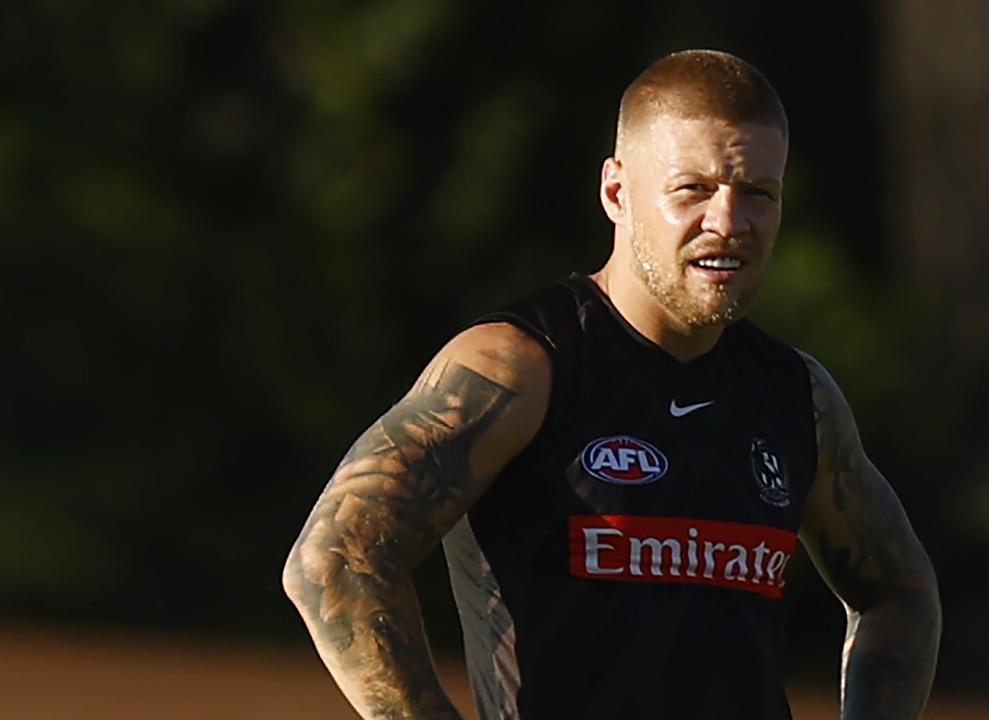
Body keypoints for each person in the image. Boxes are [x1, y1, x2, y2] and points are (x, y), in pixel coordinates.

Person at [283, 49, 941, 720]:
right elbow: (336, 557)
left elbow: (899, 590)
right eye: (693, 189)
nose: (729, 222)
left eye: (757, 194)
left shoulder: (796, 397)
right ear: (617, 193)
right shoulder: (522, 368)